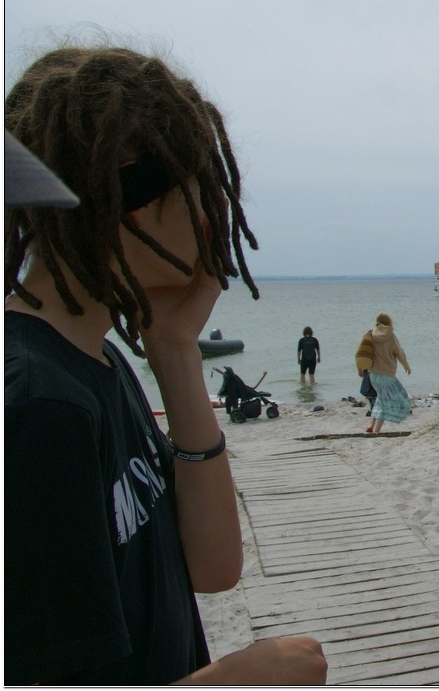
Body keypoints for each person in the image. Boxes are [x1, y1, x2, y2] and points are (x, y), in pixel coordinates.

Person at [4, 44, 328, 685]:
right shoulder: (37, 407)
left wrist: (174, 350)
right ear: (125, 195)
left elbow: (212, 566)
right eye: (200, 191)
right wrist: (241, 679)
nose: (214, 218)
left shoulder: (100, 363)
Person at [355, 312, 412, 434]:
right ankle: (376, 431)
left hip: (373, 375)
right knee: (395, 398)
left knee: (381, 399)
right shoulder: (391, 337)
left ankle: (371, 425)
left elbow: (361, 352)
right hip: (387, 375)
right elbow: (399, 353)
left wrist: (359, 369)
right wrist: (406, 365)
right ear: (389, 323)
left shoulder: (370, 335)